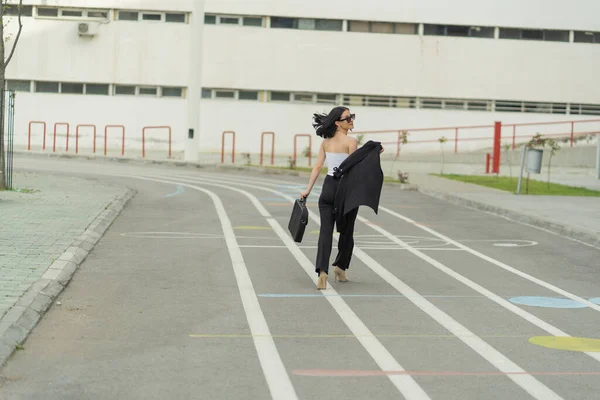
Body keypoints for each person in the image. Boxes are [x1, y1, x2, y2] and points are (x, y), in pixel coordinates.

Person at [300, 107, 383, 290]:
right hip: (345, 189)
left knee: (325, 232)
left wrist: (307, 189)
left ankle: (322, 272)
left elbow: (317, 167)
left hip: (328, 187)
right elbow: (352, 167)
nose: (352, 120)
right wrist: (373, 153)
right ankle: (340, 267)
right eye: (348, 118)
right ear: (337, 123)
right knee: (346, 232)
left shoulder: (325, 143)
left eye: (352, 117)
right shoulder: (351, 142)